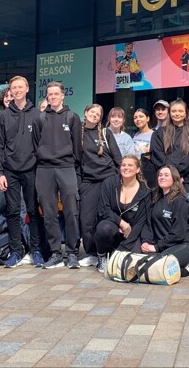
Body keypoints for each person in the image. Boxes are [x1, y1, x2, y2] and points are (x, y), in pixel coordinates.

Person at [0, 76, 44, 269]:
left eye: (20, 87)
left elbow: (41, 145)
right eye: (13, 87)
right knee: (13, 212)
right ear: (10, 91)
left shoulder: (37, 115)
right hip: (10, 171)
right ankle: (16, 252)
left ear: (27, 88)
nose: (17, 90)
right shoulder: (3, 116)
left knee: (33, 211)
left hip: (31, 170)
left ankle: (36, 250)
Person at [33, 81, 82, 269]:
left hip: (67, 167)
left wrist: (75, 169)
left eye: (56, 94)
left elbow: (77, 147)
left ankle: (72, 252)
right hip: (44, 169)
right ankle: (55, 252)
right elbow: (36, 144)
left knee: (71, 211)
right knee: (49, 213)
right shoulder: (40, 118)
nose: (53, 97)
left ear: (63, 95)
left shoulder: (72, 117)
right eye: (50, 94)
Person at [79, 104, 122, 268]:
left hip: (108, 179)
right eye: (92, 112)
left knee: (106, 217)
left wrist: (119, 178)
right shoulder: (77, 133)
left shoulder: (105, 133)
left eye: (98, 114)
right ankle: (91, 253)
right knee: (86, 220)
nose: (95, 115)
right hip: (88, 182)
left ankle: (107, 251)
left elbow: (117, 157)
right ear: (85, 113)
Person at [94, 155, 151, 274]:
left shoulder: (145, 192)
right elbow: (104, 209)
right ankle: (102, 255)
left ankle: (116, 252)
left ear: (138, 169)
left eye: (130, 165)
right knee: (104, 229)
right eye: (123, 165)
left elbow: (141, 222)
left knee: (132, 263)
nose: (126, 168)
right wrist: (123, 224)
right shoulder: (109, 183)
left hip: (132, 232)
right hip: (112, 224)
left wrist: (122, 248)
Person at [140, 165, 189, 275]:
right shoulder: (155, 199)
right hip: (163, 247)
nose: (162, 177)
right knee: (144, 264)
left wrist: (156, 247)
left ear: (174, 179)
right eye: (160, 175)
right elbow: (149, 225)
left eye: (166, 175)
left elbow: (178, 234)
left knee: (158, 266)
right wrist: (146, 242)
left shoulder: (180, 200)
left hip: (183, 245)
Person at [151, 99, 189, 201]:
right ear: (169, 113)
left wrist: (178, 175)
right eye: (174, 111)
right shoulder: (159, 133)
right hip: (166, 180)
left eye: (180, 111)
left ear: (186, 113)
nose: (177, 114)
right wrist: (172, 175)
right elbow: (158, 155)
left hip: (186, 180)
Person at [132, 108, 156, 187]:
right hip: (136, 170)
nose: (138, 119)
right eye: (135, 117)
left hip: (150, 172)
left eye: (141, 116)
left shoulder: (154, 135)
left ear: (147, 118)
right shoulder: (134, 135)